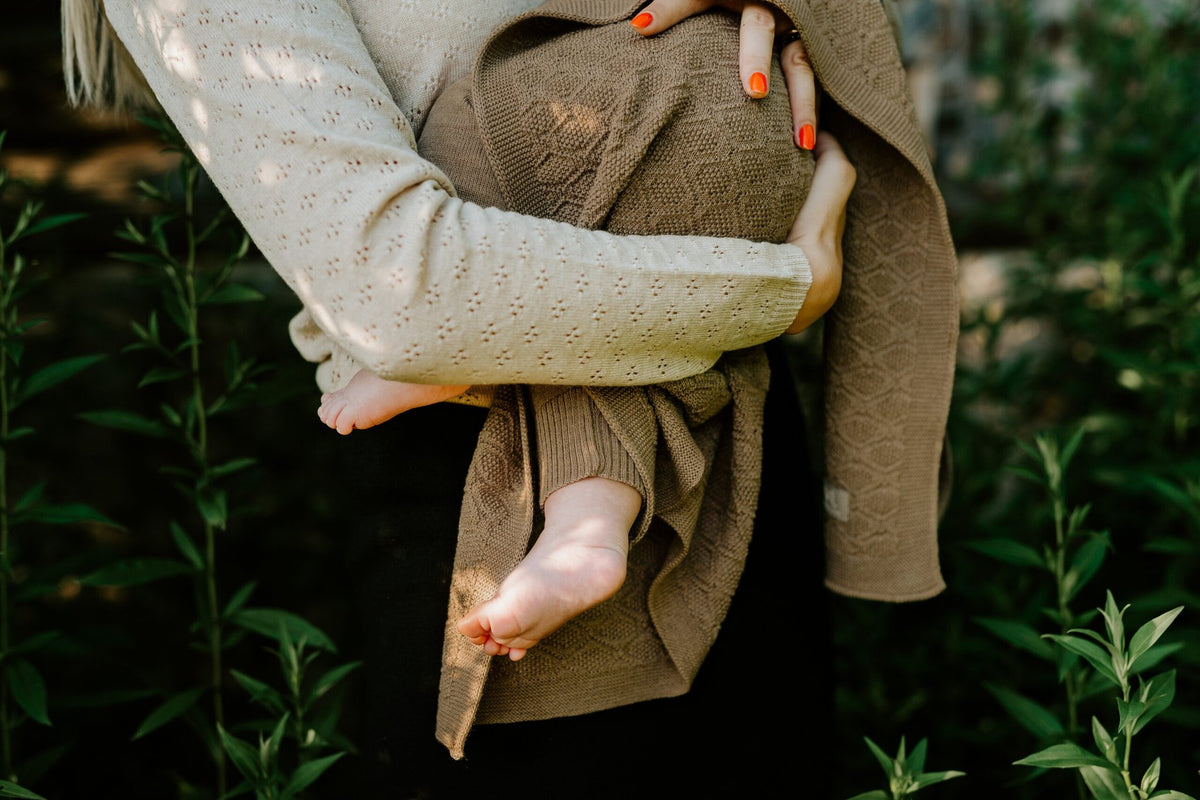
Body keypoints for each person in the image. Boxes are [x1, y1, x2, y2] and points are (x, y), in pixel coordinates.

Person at [65, 0, 957, 796]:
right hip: (486, 479)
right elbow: (406, 291)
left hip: (727, 426)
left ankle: (585, 521)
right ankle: (585, 521)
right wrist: (785, 286)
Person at [314, 5, 825, 664]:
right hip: (741, 134)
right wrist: (794, 282)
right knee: (589, 314)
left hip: (689, 92)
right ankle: (587, 531)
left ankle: (467, 349)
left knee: (474, 122)